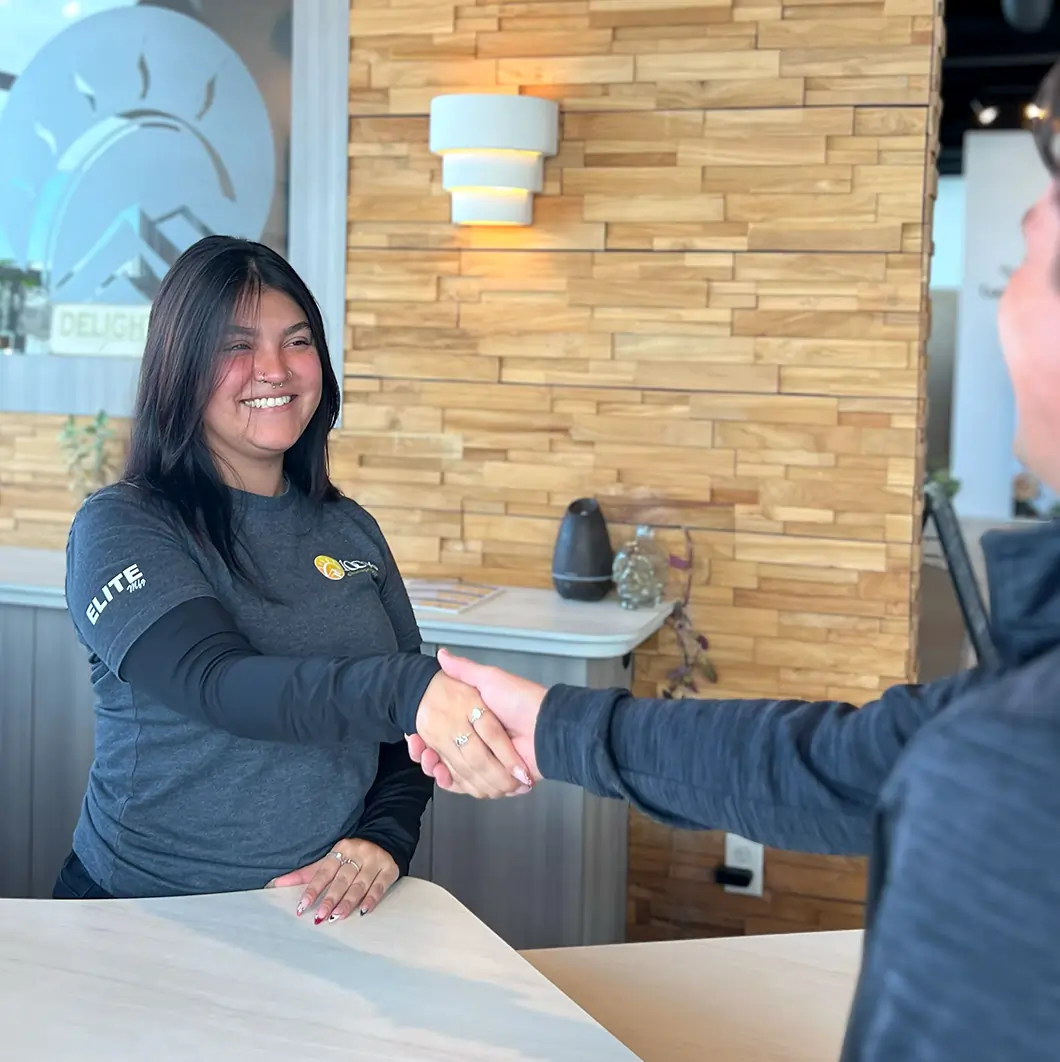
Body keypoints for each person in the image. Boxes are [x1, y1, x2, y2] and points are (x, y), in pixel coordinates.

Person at [405, 66, 1060, 1061]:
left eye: (1030, 241)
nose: (1008, 285)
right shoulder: (998, 733)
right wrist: (549, 728)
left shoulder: (1011, 772)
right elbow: (850, 765)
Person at [59, 235, 530, 924]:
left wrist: (383, 838)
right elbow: (219, 684)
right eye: (236, 345)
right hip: (139, 915)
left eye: (297, 340)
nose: (274, 369)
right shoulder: (124, 525)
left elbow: (403, 739)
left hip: (319, 921)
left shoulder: (350, 531)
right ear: (179, 366)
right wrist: (409, 689)